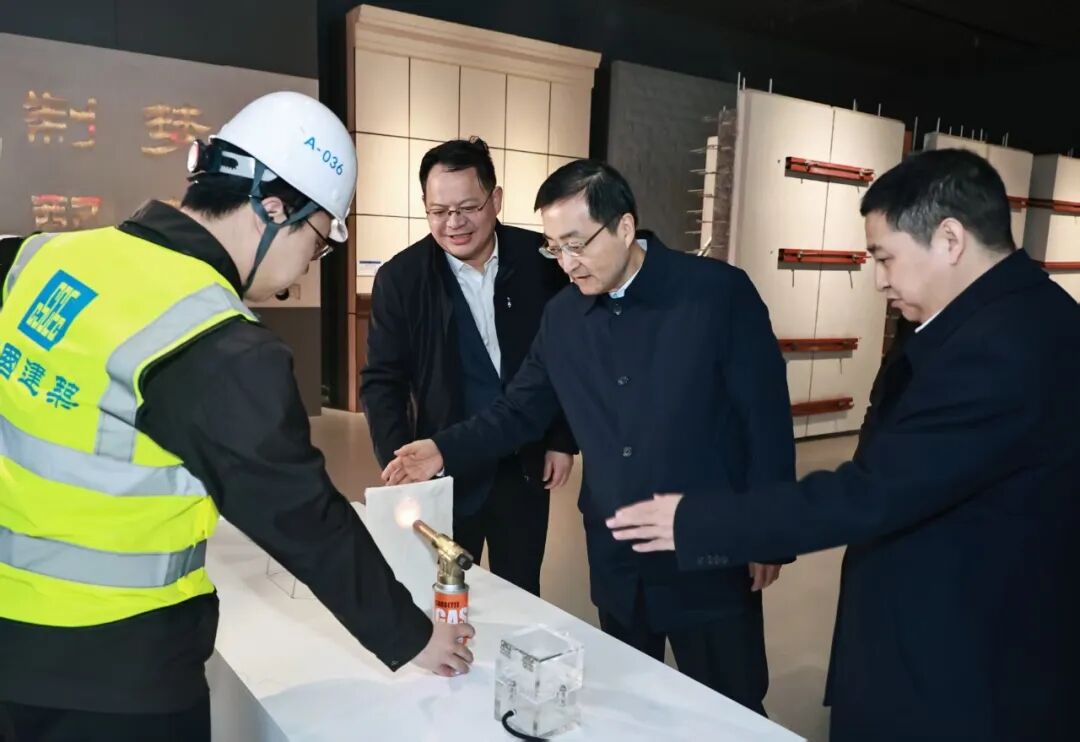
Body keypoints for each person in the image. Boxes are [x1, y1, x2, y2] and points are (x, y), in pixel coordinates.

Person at [0, 92, 472, 742]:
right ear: (273, 209)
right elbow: (304, 519)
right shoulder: (218, 341)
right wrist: (414, 635)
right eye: (318, 242)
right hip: (118, 669)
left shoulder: (39, 256)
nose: (306, 266)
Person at [605, 149, 1080, 741]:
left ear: (950, 239)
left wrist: (697, 520)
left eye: (885, 257)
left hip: (966, 660)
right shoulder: (1011, 317)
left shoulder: (1005, 348)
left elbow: (874, 491)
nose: (879, 279)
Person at [384, 160, 795, 714]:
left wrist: (768, 531)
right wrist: (441, 449)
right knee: (628, 704)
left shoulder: (716, 294)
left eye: (577, 245)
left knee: (731, 705)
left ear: (624, 227)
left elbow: (764, 417)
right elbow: (518, 410)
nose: (567, 263)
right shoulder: (564, 317)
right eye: (554, 248)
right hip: (618, 555)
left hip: (708, 550)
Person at [361, 138, 576, 596]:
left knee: (522, 590)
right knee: (446, 592)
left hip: (523, 461)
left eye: (468, 208)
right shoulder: (401, 279)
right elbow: (382, 382)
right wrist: (401, 465)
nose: (454, 223)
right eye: (438, 211)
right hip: (443, 469)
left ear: (495, 199)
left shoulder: (541, 260)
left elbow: (564, 358)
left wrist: (561, 439)